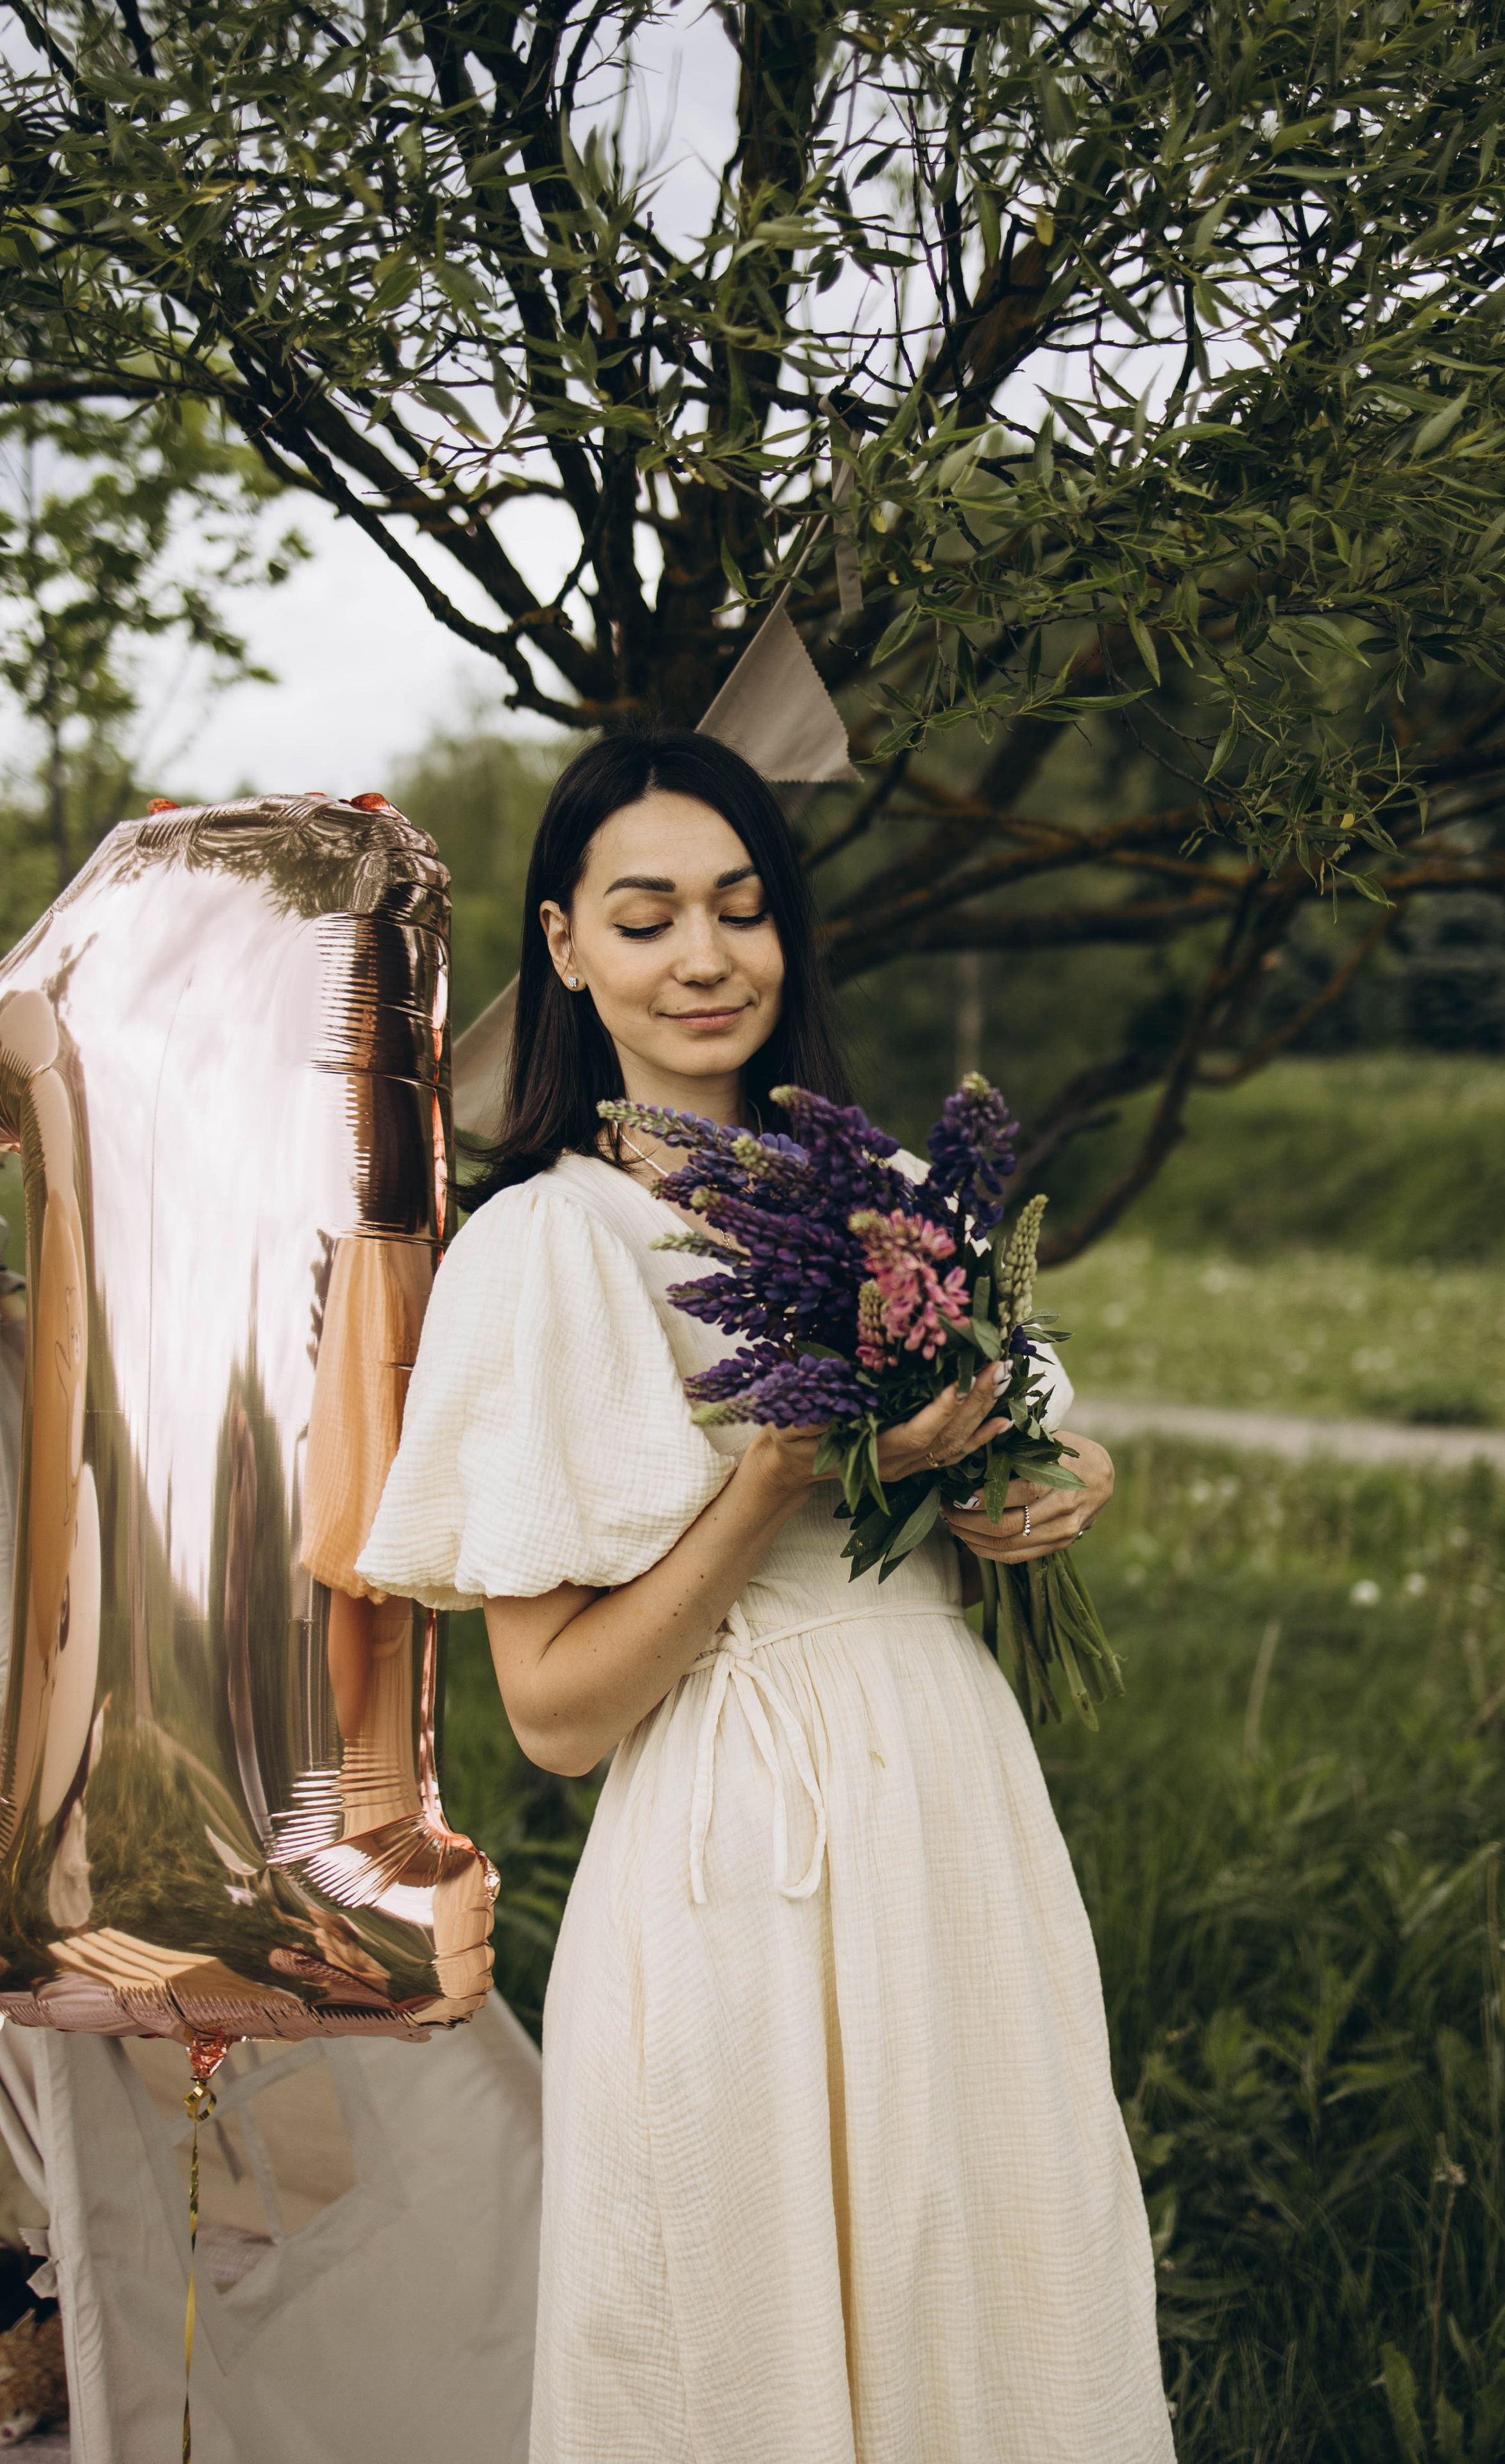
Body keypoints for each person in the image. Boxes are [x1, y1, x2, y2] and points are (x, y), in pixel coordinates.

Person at [357, 732, 1174, 2463]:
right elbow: (559, 1715)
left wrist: (1020, 1487)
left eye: (742, 909)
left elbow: (952, 1492)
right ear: (564, 945)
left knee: (996, 2286)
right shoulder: (548, 1248)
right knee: (737, 2322)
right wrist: (777, 1479)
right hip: (738, 1848)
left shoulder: (885, 1204)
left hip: (953, 1808)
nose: (706, 957)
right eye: (647, 918)